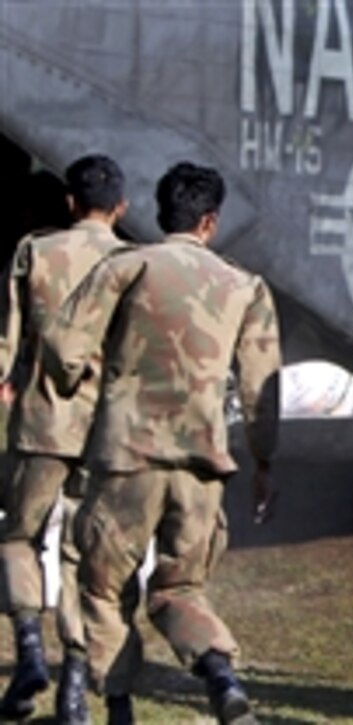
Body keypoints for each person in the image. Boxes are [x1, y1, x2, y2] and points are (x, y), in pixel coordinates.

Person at [40, 161, 280, 725]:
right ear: (210, 222)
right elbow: (261, 386)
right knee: (182, 587)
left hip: (127, 457)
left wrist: (75, 385)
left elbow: (62, 345)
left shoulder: (127, 266)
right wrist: (265, 460)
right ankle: (220, 675)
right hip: (201, 464)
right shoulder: (245, 286)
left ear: (158, 212)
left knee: (103, 588)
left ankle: (119, 708)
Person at [0, 154, 128, 724]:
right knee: (83, 555)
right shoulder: (136, 262)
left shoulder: (36, 251)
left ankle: (29, 649)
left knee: (18, 537)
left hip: (42, 422)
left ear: (70, 203)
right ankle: (75, 690)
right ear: (121, 207)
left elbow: (8, 341)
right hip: (106, 430)